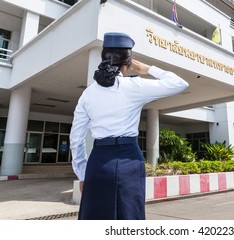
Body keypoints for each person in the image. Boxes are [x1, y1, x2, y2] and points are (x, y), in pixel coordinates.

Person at [69, 32, 189, 220]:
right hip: (129, 160)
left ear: (104, 59)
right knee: (129, 216)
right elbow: (180, 84)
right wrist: (148, 68)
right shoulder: (135, 86)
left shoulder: (88, 93)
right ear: (128, 63)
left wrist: (82, 174)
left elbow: (76, 139)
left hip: (98, 162)